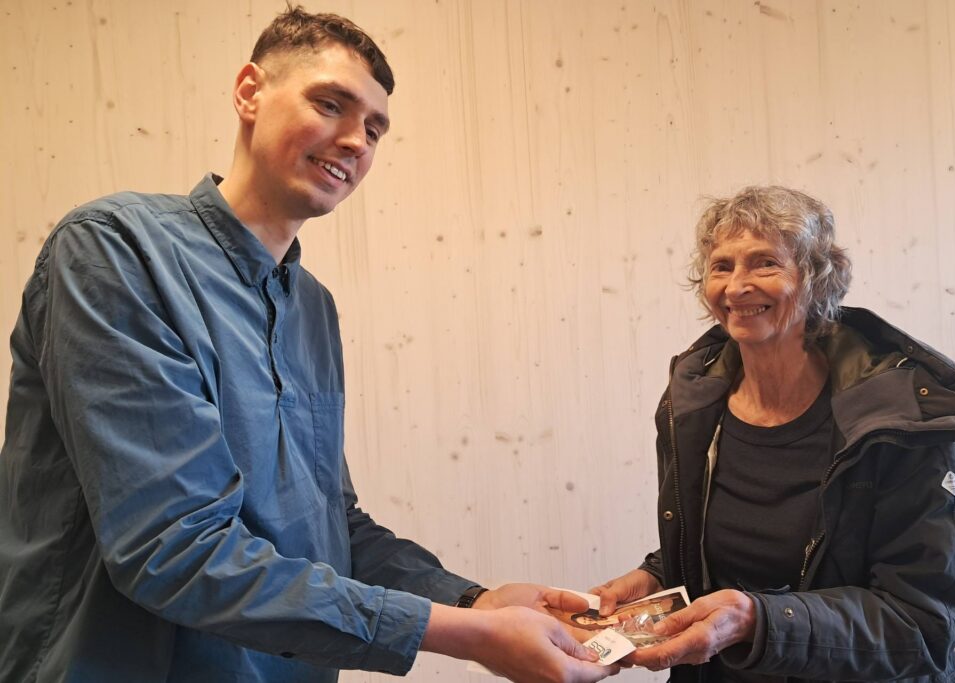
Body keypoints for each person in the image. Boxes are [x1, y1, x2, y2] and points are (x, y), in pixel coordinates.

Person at [0, 7, 616, 683]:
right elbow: (174, 547)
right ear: (249, 92)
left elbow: (331, 524)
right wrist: (464, 634)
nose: (355, 141)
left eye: (374, 129)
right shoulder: (116, 250)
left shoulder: (313, 308)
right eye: (330, 104)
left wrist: (476, 600)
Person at [591, 186, 955, 682]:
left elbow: (923, 624)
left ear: (816, 280)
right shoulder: (694, 403)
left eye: (765, 263)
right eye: (721, 266)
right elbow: (722, 547)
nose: (737, 286)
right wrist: (655, 577)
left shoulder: (897, 418)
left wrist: (758, 621)